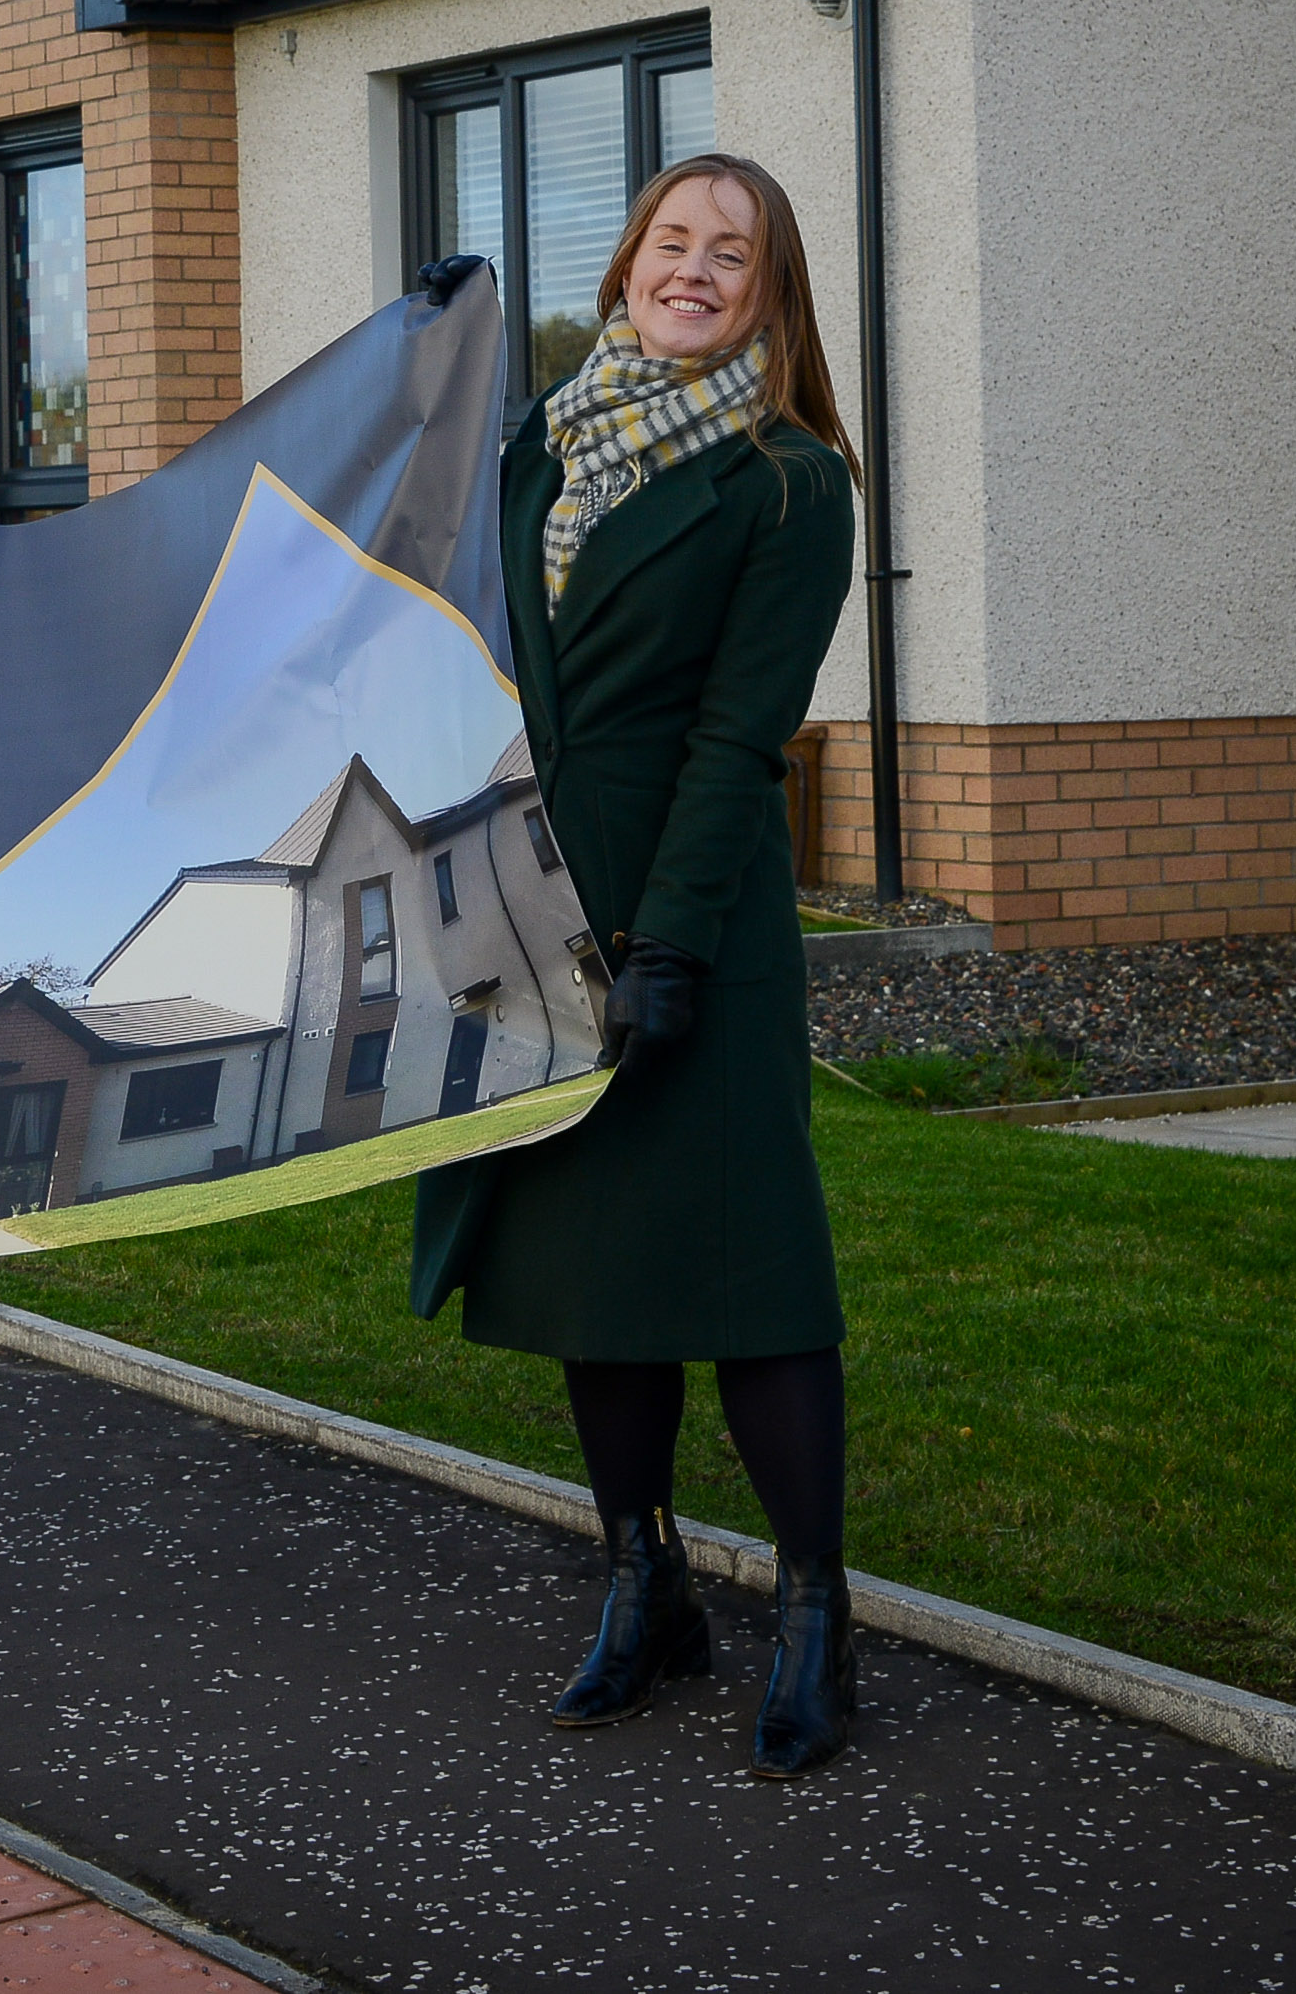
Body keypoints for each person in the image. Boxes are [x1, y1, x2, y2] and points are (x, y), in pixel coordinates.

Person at [409, 154, 865, 1780]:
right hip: (531, 915)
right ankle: (644, 1583)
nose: (691, 269)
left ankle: (815, 1615)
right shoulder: (537, 442)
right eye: (669, 240)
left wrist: (666, 941)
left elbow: (743, 735)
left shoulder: (789, 481)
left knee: (747, 1275)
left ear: (767, 291)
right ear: (623, 266)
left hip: (694, 921)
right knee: (592, 1277)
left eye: (726, 254)